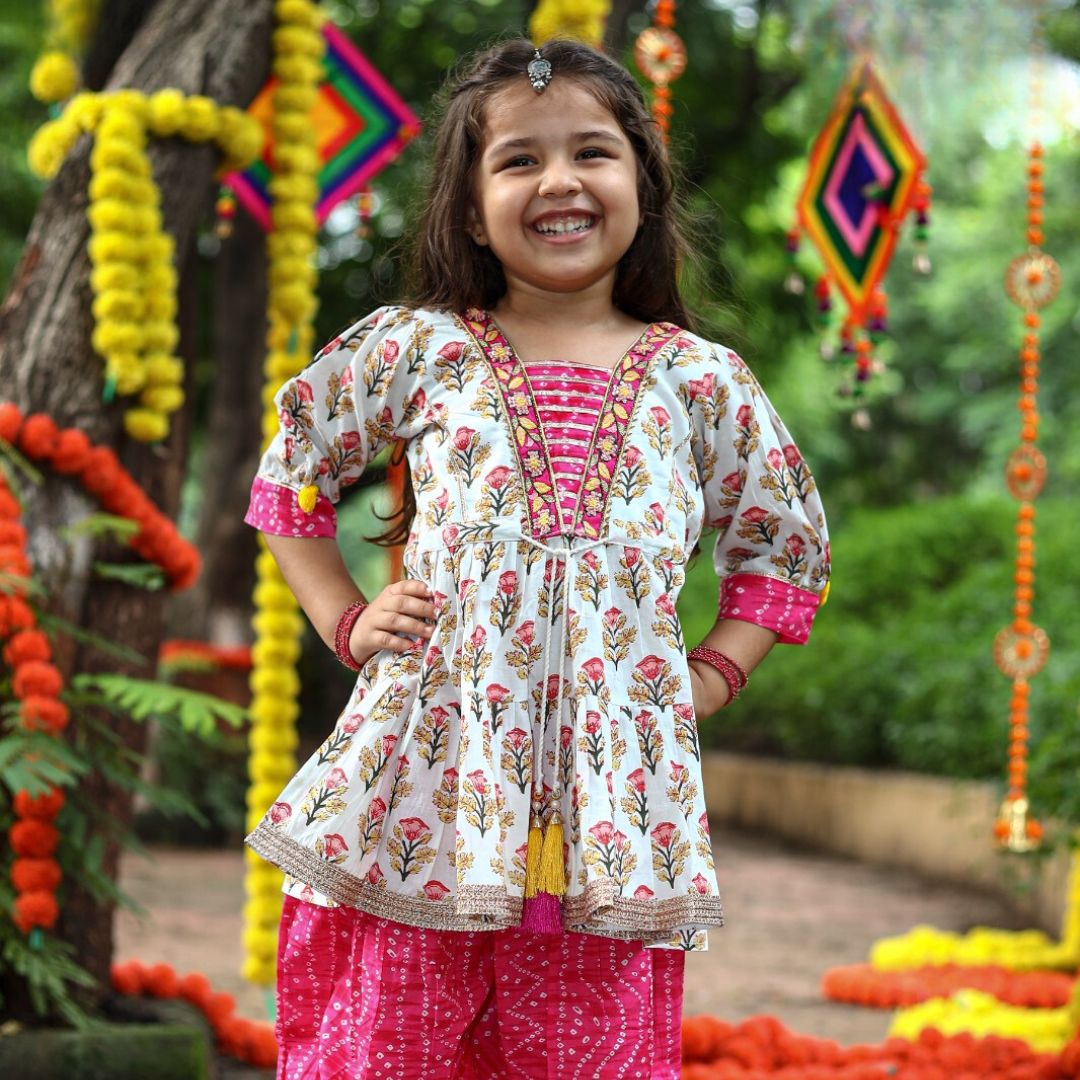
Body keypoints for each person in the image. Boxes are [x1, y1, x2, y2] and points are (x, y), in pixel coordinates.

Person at [244, 35, 830, 1080]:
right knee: (392, 1041)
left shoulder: (702, 382)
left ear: (641, 187)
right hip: (426, 783)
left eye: (592, 153)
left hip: (615, 804)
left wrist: (711, 674)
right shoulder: (416, 350)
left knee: (584, 1052)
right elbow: (291, 468)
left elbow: (782, 545)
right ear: (471, 206)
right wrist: (343, 614)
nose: (559, 181)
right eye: (519, 160)